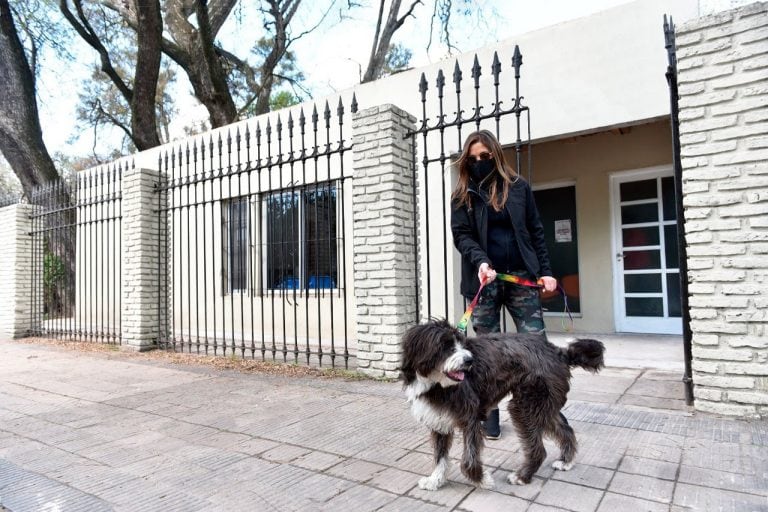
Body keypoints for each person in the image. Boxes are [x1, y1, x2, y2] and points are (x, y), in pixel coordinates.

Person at [450, 129, 557, 440]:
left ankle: (539, 407)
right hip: (483, 279)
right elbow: (462, 236)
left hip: (521, 276)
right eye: (472, 159)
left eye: (485, 156)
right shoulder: (463, 195)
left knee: (536, 344)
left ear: (495, 154)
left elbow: (535, 231)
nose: (479, 162)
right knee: (486, 352)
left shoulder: (519, 187)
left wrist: (546, 271)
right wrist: (481, 261)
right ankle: (489, 411)